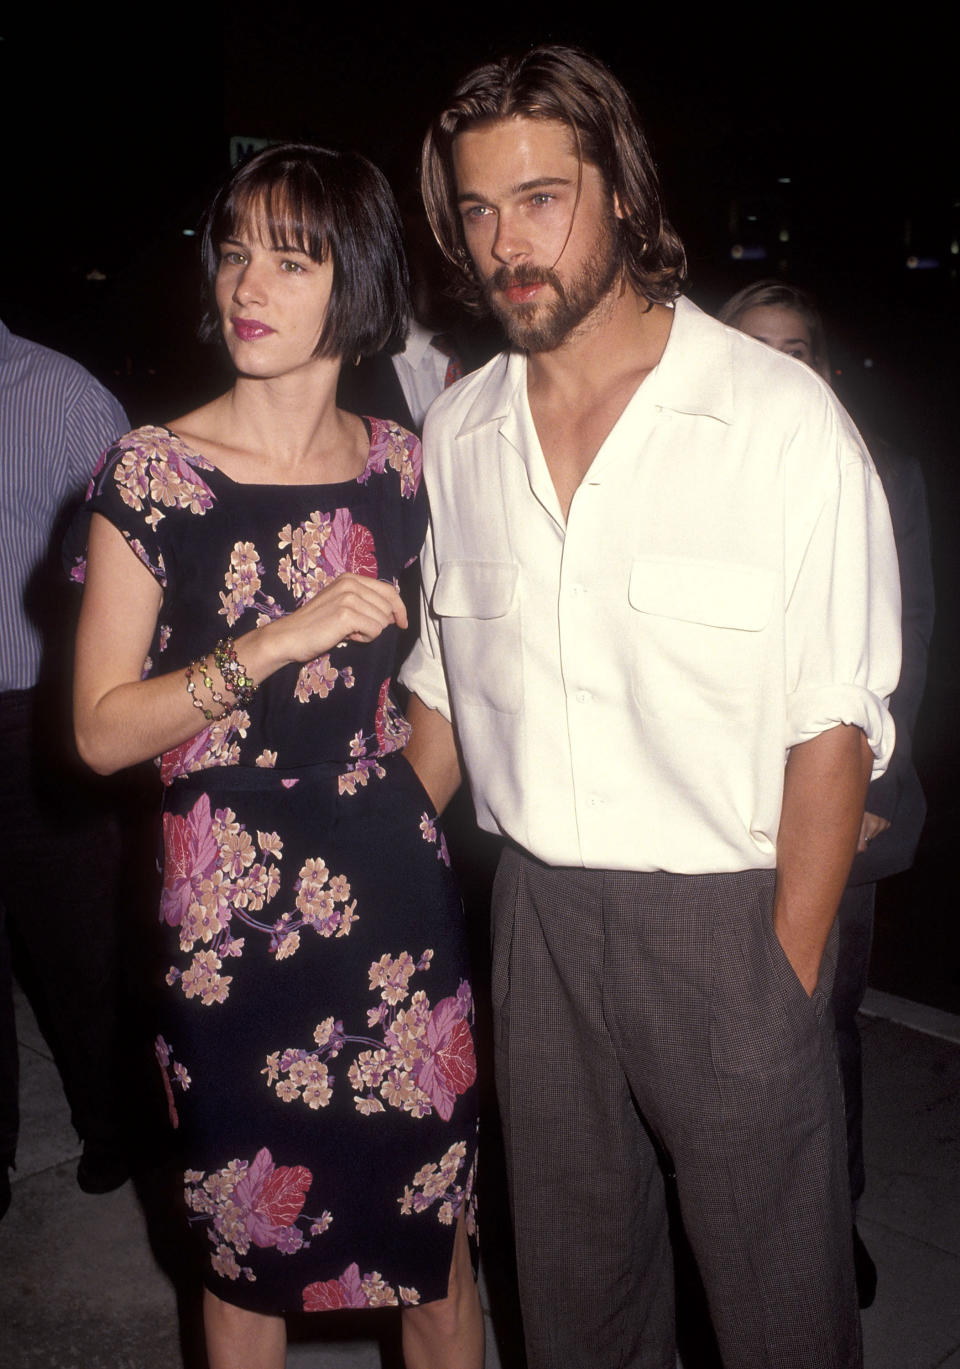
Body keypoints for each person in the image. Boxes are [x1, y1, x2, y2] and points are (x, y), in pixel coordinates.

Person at [400, 45, 901, 1369]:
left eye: (542, 197)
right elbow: (446, 687)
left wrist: (782, 987)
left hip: (729, 920)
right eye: (478, 208)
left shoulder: (775, 419)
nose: (508, 241)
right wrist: (348, 889)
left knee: (778, 1315)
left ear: (620, 191)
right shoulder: (461, 435)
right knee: (572, 1306)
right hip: (539, 923)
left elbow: (832, 727)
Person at [69, 143, 482, 1369]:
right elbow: (96, 732)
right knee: (246, 1257)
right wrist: (274, 641)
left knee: (435, 1241)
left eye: (290, 260)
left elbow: (453, 668)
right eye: (237, 251)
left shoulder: (405, 469)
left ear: (354, 281)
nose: (248, 283)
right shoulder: (154, 473)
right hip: (229, 921)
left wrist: (405, 802)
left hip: (396, 899)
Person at [720, 278, 934, 1307]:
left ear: (821, 364)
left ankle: (826, 1224)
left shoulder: (877, 473)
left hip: (840, 805)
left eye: (792, 349)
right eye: (752, 348)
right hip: (719, 815)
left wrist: (870, 784)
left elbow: (912, 639)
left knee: (821, 1030)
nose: (774, 367)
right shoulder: (695, 477)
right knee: (723, 1039)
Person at [0, 319, 129, 1220]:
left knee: (77, 945)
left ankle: (114, 1123)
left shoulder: (65, 397)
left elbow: (131, 577)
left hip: (31, 716)